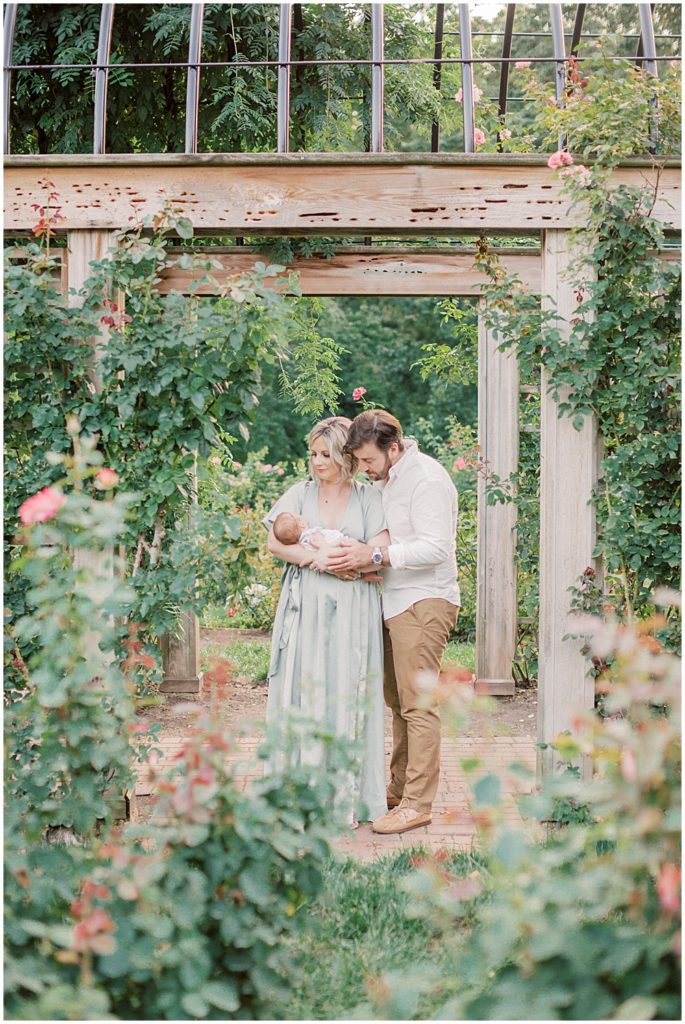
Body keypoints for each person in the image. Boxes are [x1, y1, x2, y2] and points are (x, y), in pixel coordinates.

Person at [326, 409, 460, 835]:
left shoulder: (427, 480)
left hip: (425, 602)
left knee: (419, 705)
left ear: (394, 448)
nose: (364, 470)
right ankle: (399, 790)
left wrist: (378, 556)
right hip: (394, 601)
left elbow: (436, 548)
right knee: (398, 702)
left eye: (368, 461)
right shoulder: (390, 480)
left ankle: (417, 804)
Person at [263, 415, 389, 827]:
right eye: (312, 454)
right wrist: (316, 559)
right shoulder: (298, 494)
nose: (316, 462)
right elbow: (273, 543)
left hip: (354, 606)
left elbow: (380, 548)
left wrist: (354, 559)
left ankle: (349, 798)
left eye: (325, 454)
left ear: (343, 456)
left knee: (346, 688)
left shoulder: (369, 497)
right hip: (307, 606)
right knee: (306, 687)